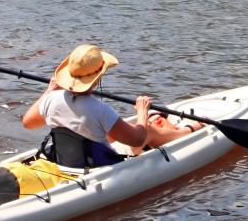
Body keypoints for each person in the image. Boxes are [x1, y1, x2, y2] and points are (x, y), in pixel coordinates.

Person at [22, 44, 203, 165]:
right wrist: (142, 111)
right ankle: (188, 130)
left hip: (66, 159)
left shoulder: (52, 98)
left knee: (140, 124)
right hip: (97, 164)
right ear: (96, 79)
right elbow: (138, 139)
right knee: (147, 127)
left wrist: (49, 90)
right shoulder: (100, 110)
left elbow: (28, 123)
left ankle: (173, 128)